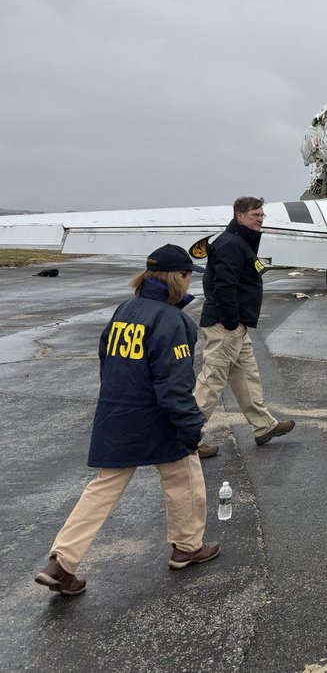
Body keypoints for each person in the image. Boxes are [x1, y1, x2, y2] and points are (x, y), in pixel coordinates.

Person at [35, 245, 219, 596]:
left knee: (103, 488)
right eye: (186, 274)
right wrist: (190, 426)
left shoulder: (125, 310)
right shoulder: (172, 320)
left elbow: (106, 358)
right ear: (176, 278)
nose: (188, 281)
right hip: (156, 417)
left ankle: (61, 561)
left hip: (117, 411)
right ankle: (187, 546)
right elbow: (175, 384)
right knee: (185, 474)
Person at [193, 197, 294, 458]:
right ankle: (186, 437)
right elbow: (223, 286)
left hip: (235, 325)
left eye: (261, 215)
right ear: (240, 216)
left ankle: (264, 426)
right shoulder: (231, 244)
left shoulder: (240, 241)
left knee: (247, 375)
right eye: (254, 215)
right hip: (225, 325)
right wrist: (229, 321)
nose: (259, 219)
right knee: (212, 380)